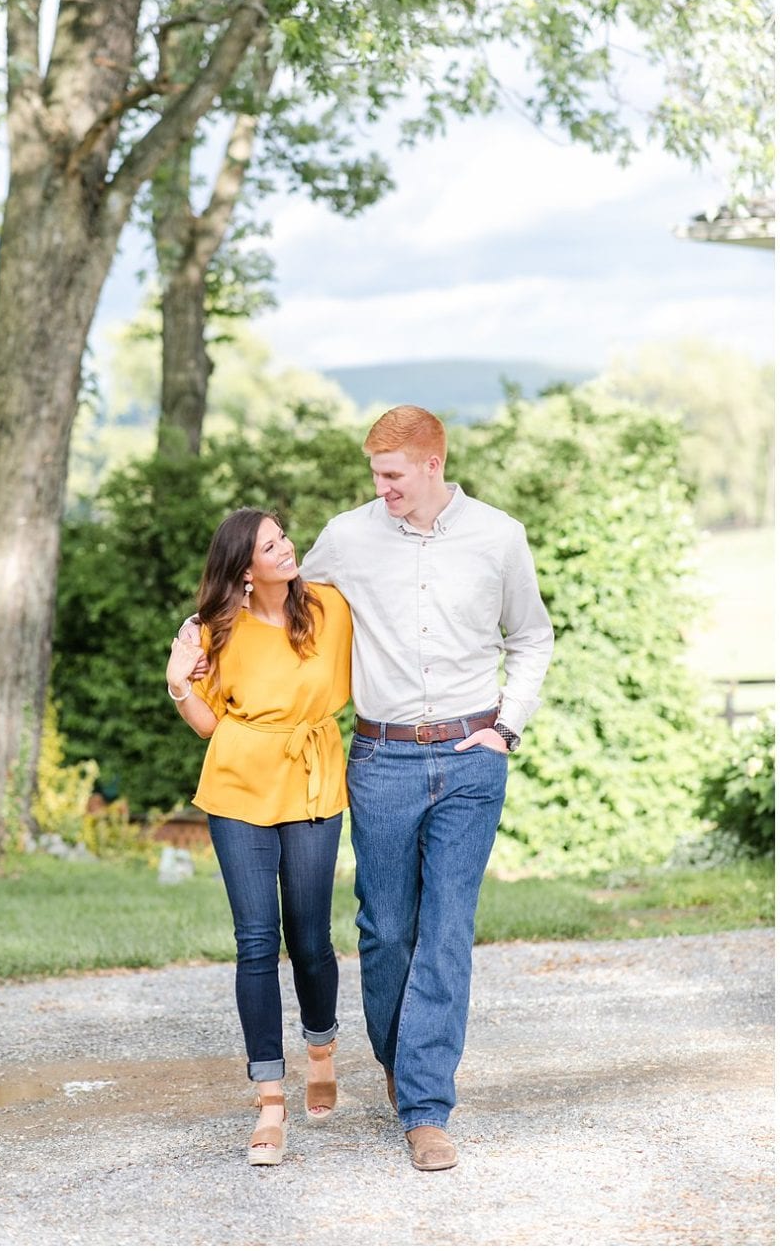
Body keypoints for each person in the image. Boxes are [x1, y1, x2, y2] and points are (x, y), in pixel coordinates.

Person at [297, 405, 553, 1172]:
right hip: (380, 758)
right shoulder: (348, 534)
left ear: (434, 463)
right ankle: (401, 1057)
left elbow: (531, 635)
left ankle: (426, 1105)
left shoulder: (498, 536)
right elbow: (286, 607)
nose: (381, 489)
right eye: (375, 474)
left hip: (471, 758)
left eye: (393, 475)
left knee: (446, 929)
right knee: (386, 931)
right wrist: (205, 639)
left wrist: (506, 727)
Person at [166, 508, 353, 1166]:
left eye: (284, 537)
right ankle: (270, 1099)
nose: (286, 547)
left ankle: (323, 1047)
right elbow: (206, 724)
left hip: (310, 779)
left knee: (308, 938)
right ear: (244, 568)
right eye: (270, 545)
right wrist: (176, 680)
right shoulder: (217, 628)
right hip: (239, 783)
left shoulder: (330, 610)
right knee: (254, 940)